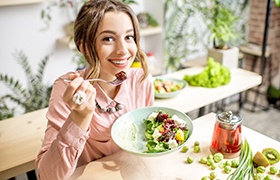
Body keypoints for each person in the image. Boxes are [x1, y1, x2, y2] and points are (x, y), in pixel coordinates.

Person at [35, 0, 154, 179]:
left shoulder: (141, 80)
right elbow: (47, 176)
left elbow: (147, 141)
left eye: (129, 37)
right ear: (83, 47)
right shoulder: (67, 89)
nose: (123, 50)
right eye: (108, 38)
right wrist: (79, 118)